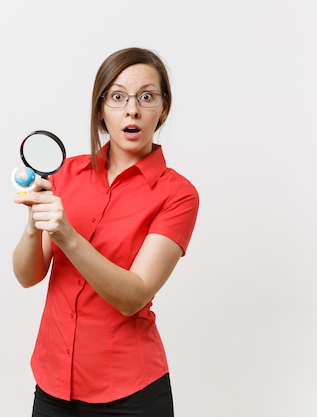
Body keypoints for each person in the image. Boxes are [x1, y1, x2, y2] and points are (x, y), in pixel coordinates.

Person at [12, 47, 199, 417]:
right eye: (118, 97)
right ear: (101, 110)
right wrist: (34, 225)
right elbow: (27, 275)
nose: (132, 109)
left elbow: (133, 296)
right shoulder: (66, 174)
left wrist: (68, 235)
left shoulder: (177, 195)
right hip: (53, 383)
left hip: (130, 395)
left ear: (163, 109)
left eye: (147, 96)